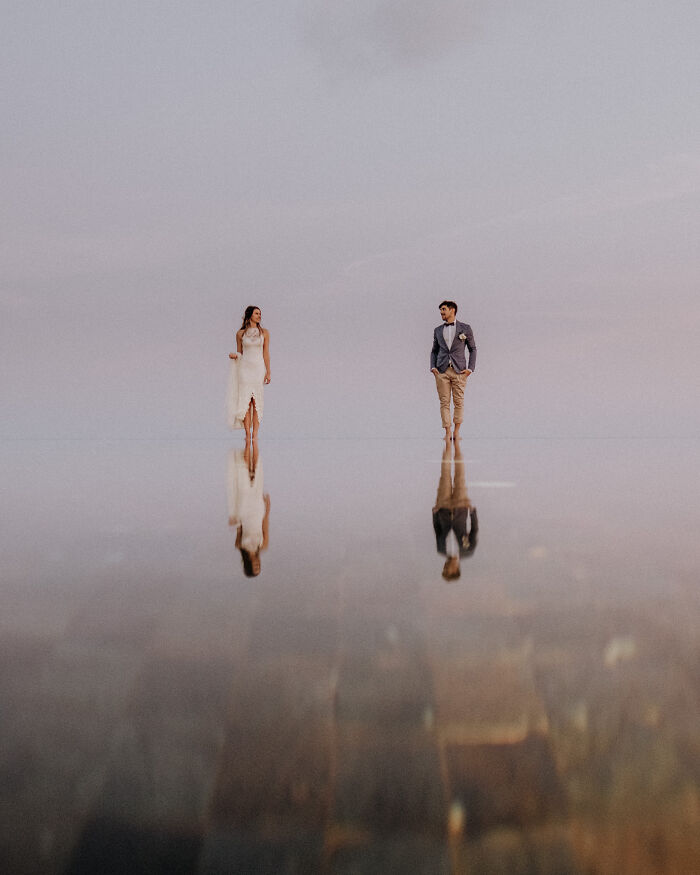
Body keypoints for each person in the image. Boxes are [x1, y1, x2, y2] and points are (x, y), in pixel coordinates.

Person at [430, 300, 476, 441]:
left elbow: (472, 349)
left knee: (458, 402)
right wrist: (433, 367)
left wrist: (470, 369)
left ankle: (456, 432)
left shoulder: (465, 328)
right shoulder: (437, 330)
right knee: (444, 402)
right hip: (442, 370)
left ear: (452, 310)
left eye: (443, 309)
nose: (441, 313)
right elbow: (434, 351)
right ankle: (447, 432)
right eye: (440, 310)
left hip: (460, 371)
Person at [432, 440, 478, 581]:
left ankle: (447, 446)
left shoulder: (441, 550)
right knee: (460, 475)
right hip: (461, 507)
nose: (445, 567)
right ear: (456, 569)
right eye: (448, 570)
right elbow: (474, 530)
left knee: (445, 474)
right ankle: (457, 447)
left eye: (444, 569)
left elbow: (437, 530)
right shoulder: (467, 551)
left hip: (443, 507)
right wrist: (472, 512)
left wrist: (434, 514)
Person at [227, 306, 271, 442]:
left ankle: (255, 434)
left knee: (256, 399)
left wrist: (268, 371)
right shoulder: (240, 333)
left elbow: (266, 353)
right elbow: (240, 352)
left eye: (260, 314)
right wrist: (235, 356)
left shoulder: (264, 333)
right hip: (245, 368)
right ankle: (247, 433)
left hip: (258, 368)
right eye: (256, 313)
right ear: (250, 315)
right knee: (246, 400)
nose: (259, 316)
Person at [227, 444, 270, 577]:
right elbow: (265, 526)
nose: (258, 564)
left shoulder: (239, 546)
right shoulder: (263, 545)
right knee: (256, 478)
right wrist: (267, 508)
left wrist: (234, 517)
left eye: (255, 567)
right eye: (259, 567)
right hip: (258, 511)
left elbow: (239, 528)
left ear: (249, 565)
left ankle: (246, 451)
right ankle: (253, 447)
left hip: (244, 512)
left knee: (244, 482)